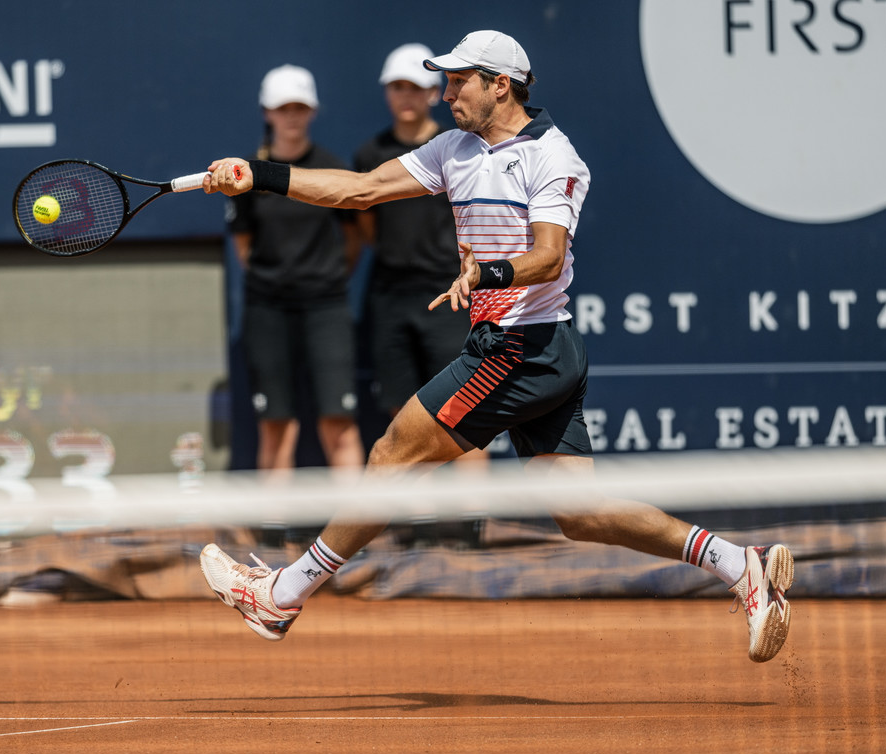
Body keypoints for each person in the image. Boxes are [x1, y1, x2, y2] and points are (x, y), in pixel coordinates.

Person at [199, 31, 795, 663]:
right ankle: (740, 564)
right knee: (581, 515)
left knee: (392, 453)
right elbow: (359, 189)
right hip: (537, 350)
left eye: (459, 82)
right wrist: (259, 176)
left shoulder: (553, 157)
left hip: (520, 350)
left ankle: (282, 595)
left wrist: (486, 273)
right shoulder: (454, 147)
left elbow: (548, 256)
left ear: (500, 85)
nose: (445, 94)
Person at [228, 64, 365, 472]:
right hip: (268, 308)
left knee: (339, 422)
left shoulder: (332, 168)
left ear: (313, 111)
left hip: (326, 307)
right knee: (276, 425)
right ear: (266, 112)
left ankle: (354, 515)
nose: (291, 116)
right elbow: (243, 246)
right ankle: (275, 516)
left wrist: (322, 279)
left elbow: (353, 239)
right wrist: (278, 280)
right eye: (282, 107)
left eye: (299, 107)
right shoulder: (246, 176)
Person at [353, 43, 470, 421]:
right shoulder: (370, 154)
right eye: (398, 86)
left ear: (434, 93)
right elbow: (368, 226)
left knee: (462, 412)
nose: (406, 96)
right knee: (403, 417)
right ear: (386, 91)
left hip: (449, 294)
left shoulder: (458, 149)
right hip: (390, 296)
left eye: (416, 87)